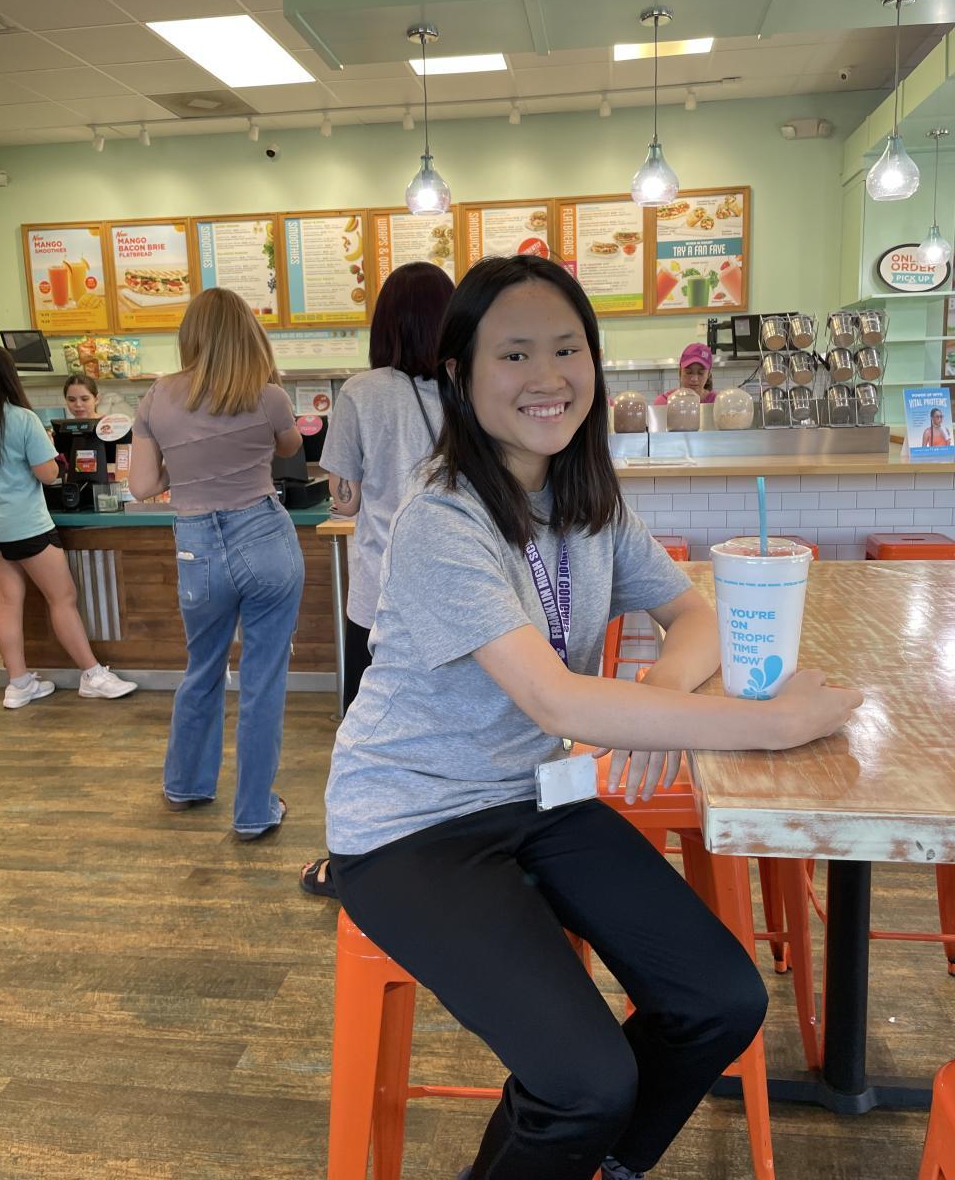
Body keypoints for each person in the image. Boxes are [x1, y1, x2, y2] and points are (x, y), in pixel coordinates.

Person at [323, 254, 862, 1180]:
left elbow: (694, 615)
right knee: (585, 1082)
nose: (548, 376)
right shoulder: (443, 519)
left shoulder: (588, 501)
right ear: (459, 374)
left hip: (535, 795)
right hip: (408, 823)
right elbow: (557, 697)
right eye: (514, 354)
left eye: (567, 349)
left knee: (722, 1001)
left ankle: (596, 1166)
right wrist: (774, 723)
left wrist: (663, 697)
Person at [300, 260, 454, 896]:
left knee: (367, 736)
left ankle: (355, 862)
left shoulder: (361, 393)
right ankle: (449, 849)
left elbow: (346, 501)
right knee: (449, 727)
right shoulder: (472, 387)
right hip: (460, 589)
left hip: (380, 594)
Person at [129, 288, 305, 839]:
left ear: (191, 335)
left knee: (202, 667)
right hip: (264, 537)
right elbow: (289, 447)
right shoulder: (269, 395)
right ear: (249, 335)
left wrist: (182, 467)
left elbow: (141, 485)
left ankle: (186, 785)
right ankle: (254, 812)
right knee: (262, 679)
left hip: (197, 544)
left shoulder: (157, 396)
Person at [0, 346, 138, 708]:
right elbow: (48, 474)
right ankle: (92, 675)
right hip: (26, 525)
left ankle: (18, 683)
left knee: (6, 603)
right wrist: (51, 458)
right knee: (63, 598)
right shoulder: (22, 419)